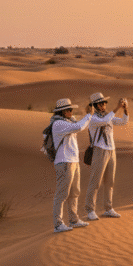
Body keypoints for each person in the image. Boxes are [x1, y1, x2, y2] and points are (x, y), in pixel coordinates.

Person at [84, 92, 129, 220]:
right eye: (100, 103)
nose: (103, 105)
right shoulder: (93, 118)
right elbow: (104, 121)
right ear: (95, 105)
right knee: (95, 181)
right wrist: (117, 108)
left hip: (111, 150)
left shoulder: (107, 116)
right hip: (99, 151)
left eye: (104, 103)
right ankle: (90, 210)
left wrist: (125, 109)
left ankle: (108, 208)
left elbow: (123, 122)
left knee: (110, 181)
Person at [51, 98, 93, 233]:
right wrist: (89, 115)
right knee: (62, 194)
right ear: (61, 112)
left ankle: (74, 220)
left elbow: (79, 124)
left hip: (73, 161)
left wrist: (87, 115)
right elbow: (79, 126)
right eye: (68, 110)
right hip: (64, 162)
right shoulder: (58, 124)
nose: (71, 112)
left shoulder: (69, 121)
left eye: (71, 109)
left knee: (75, 192)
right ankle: (58, 224)